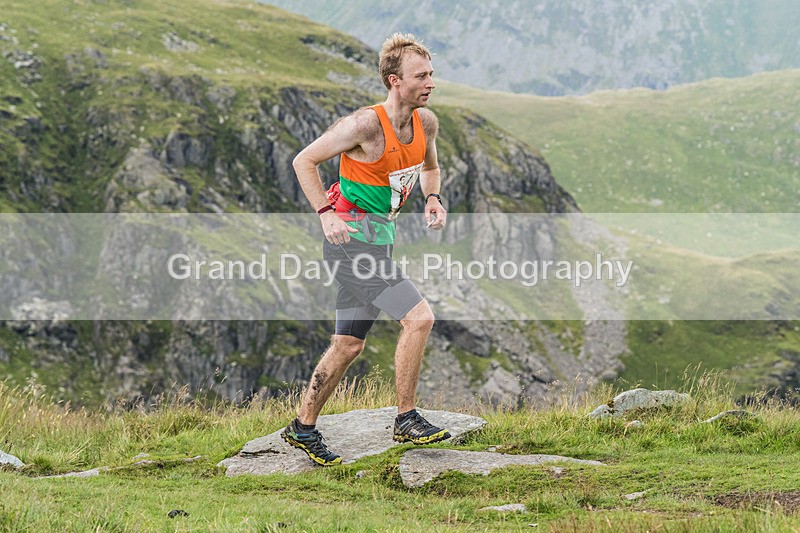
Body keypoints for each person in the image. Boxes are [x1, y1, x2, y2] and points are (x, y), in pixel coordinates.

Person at [281, 33, 450, 466]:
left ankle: (302, 428)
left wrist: (433, 199)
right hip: (350, 247)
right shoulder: (363, 125)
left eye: (431, 73)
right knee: (419, 318)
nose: (431, 82)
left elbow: (430, 167)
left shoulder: (425, 123)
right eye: (422, 76)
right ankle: (406, 418)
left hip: (380, 243)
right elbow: (304, 160)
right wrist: (325, 211)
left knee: (347, 345)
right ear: (395, 81)